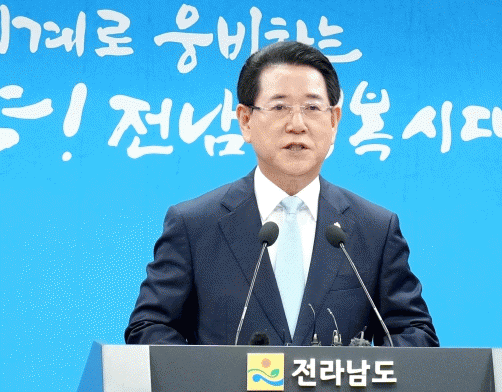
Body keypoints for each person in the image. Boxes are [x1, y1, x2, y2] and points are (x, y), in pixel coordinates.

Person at [125, 41, 438, 347]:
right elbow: (149, 328)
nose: (297, 125)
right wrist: (213, 374)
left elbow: (414, 332)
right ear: (246, 121)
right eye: (279, 107)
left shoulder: (375, 229)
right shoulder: (194, 225)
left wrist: (360, 371)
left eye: (312, 108)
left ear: (333, 121)